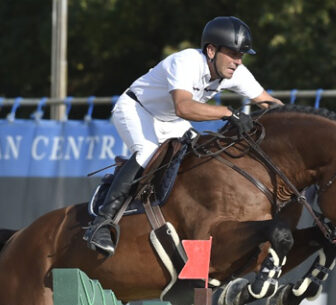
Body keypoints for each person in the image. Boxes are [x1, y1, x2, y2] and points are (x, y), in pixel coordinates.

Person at [84, 16, 283, 256]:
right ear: (211, 50)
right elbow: (184, 107)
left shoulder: (236, 72)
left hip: (171, 121)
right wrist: (228, 112)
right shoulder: (186, 61)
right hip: (136, 109)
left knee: (200, 154)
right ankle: (101, 223)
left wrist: (293, 124)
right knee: (147, 152)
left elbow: (269, 103)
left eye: (241, 55)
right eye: (232, 53)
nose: (237, 62)